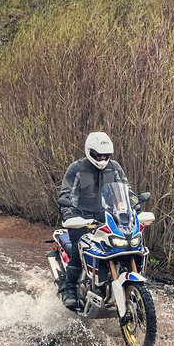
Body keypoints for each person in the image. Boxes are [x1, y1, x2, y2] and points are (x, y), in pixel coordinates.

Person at [57, 132, 129, 310]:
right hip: (82, 218)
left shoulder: (115, 168)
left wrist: (133, 209)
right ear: (90, 152)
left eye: (106, 155)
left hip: (108, 218)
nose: (103, 158)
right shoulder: (77, 169)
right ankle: (70, 289)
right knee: (78, 248)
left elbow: (127, 192)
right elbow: (66, 194)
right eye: (99, 155)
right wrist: (70, 216)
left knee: (125, 247)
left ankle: (127, 285)